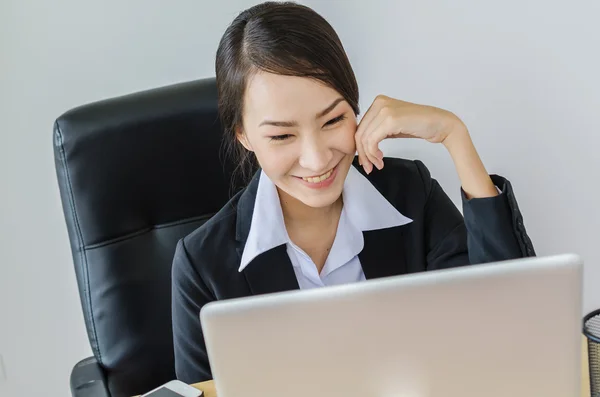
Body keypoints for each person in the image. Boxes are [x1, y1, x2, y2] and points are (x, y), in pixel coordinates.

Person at [171, 1, 535, 384]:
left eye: (333, 120)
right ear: (243, 135)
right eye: (281, 135)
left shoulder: (408, 193)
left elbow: (515, 322)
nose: (316, 160)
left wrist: (453, 135)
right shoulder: (201, 265)